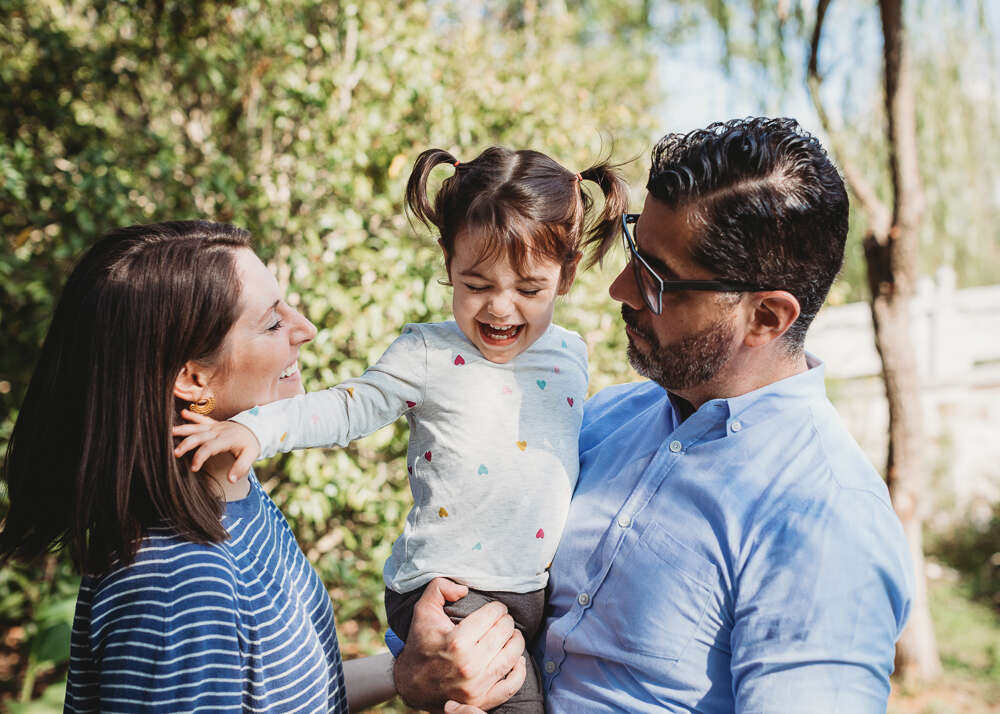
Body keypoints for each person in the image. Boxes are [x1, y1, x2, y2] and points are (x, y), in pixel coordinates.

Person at [392, 117, 915, 713]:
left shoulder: (824, 523)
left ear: (767, 318)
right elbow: (466, 618)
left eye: (659, 279)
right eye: (636, 252)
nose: (620, 288)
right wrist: (416, 671)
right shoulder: (603, 421)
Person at [172, 146, 629, 713]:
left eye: (528, 290)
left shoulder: (570, 352)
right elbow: (348, 407)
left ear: (567, 277)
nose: (501, 308)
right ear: (447, 262)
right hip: (454, 587)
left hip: (534, 585)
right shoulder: (428, 353)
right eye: (477, 284)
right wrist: (256, 429)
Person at [0, 221, 396, 713]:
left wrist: (406, 671)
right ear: (193, 379)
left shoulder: (233, 501)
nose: (305, 329)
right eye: (273, 323)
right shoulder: (179, 588)